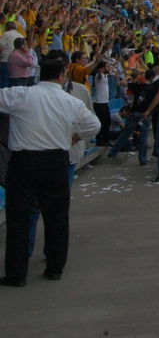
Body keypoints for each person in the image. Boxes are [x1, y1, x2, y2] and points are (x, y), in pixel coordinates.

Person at [0, 55, 100, 287]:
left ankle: (17, 273)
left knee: (19, 218)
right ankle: (55, 268)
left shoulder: (22, 95)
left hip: (24, 161)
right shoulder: (69, 101)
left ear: (39, 74)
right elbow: (94, 125)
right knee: (56, 216)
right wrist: (75, 137)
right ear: (61, 75)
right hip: (56, 160)